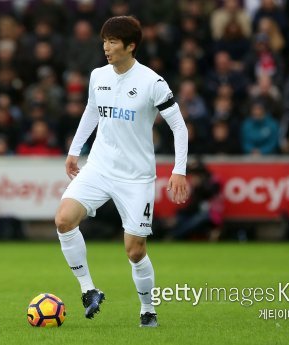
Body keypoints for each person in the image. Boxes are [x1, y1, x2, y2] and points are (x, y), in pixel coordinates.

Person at [54, 16, 188, 327]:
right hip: (99, 167)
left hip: (136, 177)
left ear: (131, 46)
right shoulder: (98, 76)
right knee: (63, 219)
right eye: (104, 41)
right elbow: (91, 110)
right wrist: (75, 150)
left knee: (135, 250)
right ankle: (89, 290)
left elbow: (179, 127)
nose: (106, 47)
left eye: (113, 42)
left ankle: (147, 307)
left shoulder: (152, 83)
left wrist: (179, 171)